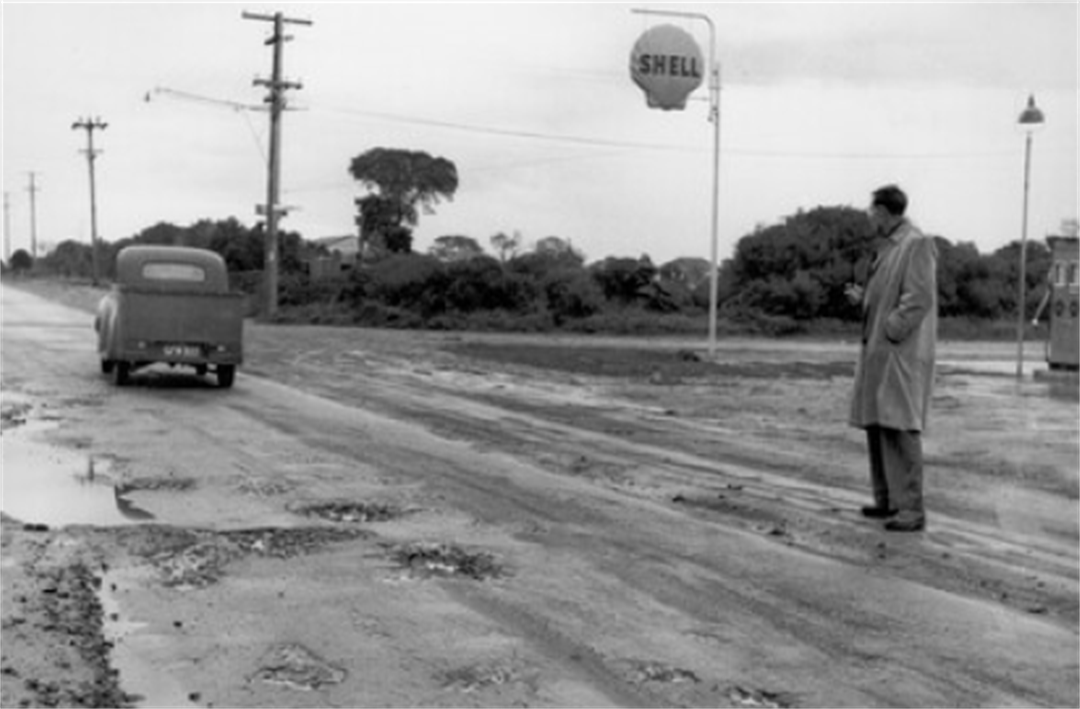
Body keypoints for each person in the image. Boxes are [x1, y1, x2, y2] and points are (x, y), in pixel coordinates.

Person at [845, 185, 938, 532]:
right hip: (880, 354)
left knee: (900, 427)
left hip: (899, 353)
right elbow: (889, 295)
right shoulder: (889, 248)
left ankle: (911, 510)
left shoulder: (916, 243)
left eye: (872, 212)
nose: (870, 218)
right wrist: (864, 298)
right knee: (878, 425)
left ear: (884, 212)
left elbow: (919, 298)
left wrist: (890, 330)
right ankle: (887, 501)